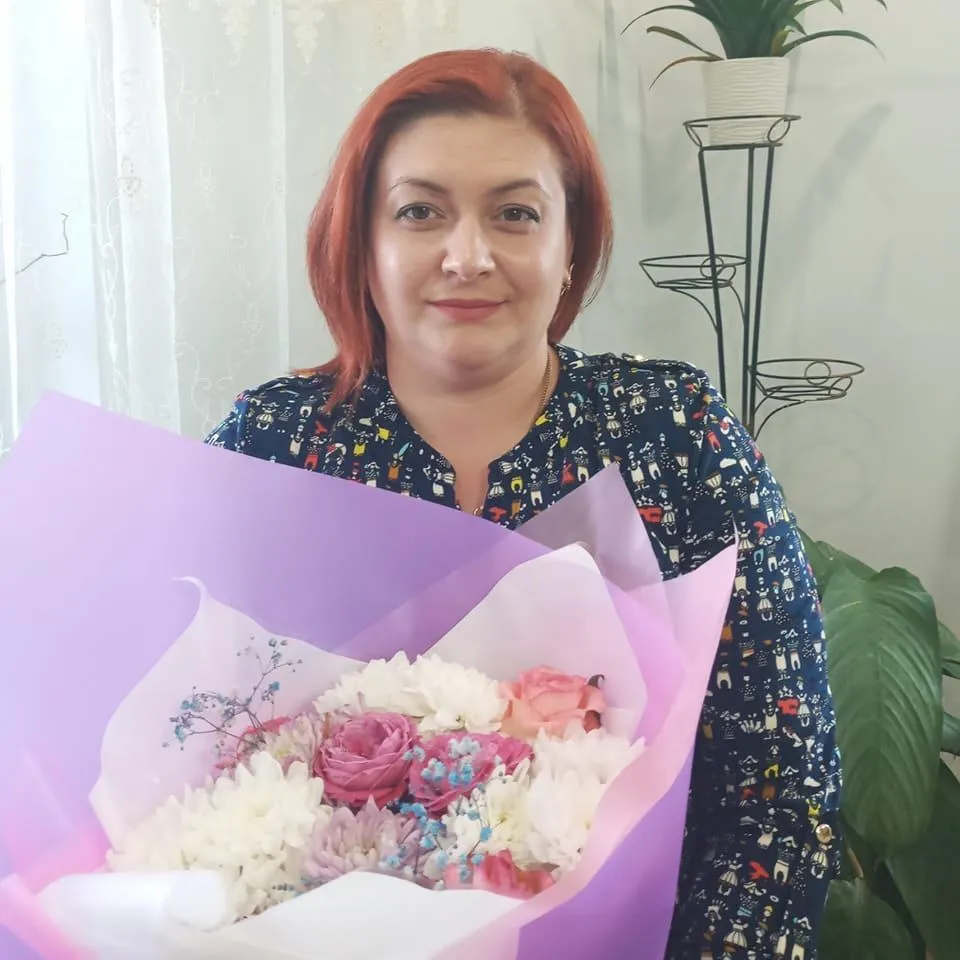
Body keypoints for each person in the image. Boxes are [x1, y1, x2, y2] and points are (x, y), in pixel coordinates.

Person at [206, 48, 841, 959]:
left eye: (515, 213)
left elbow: (778, 787)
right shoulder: (273, 447)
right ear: (362, 241)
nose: (467, 256)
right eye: (420, 211)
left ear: (570, 244)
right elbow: (193, 767)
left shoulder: (672, 433)